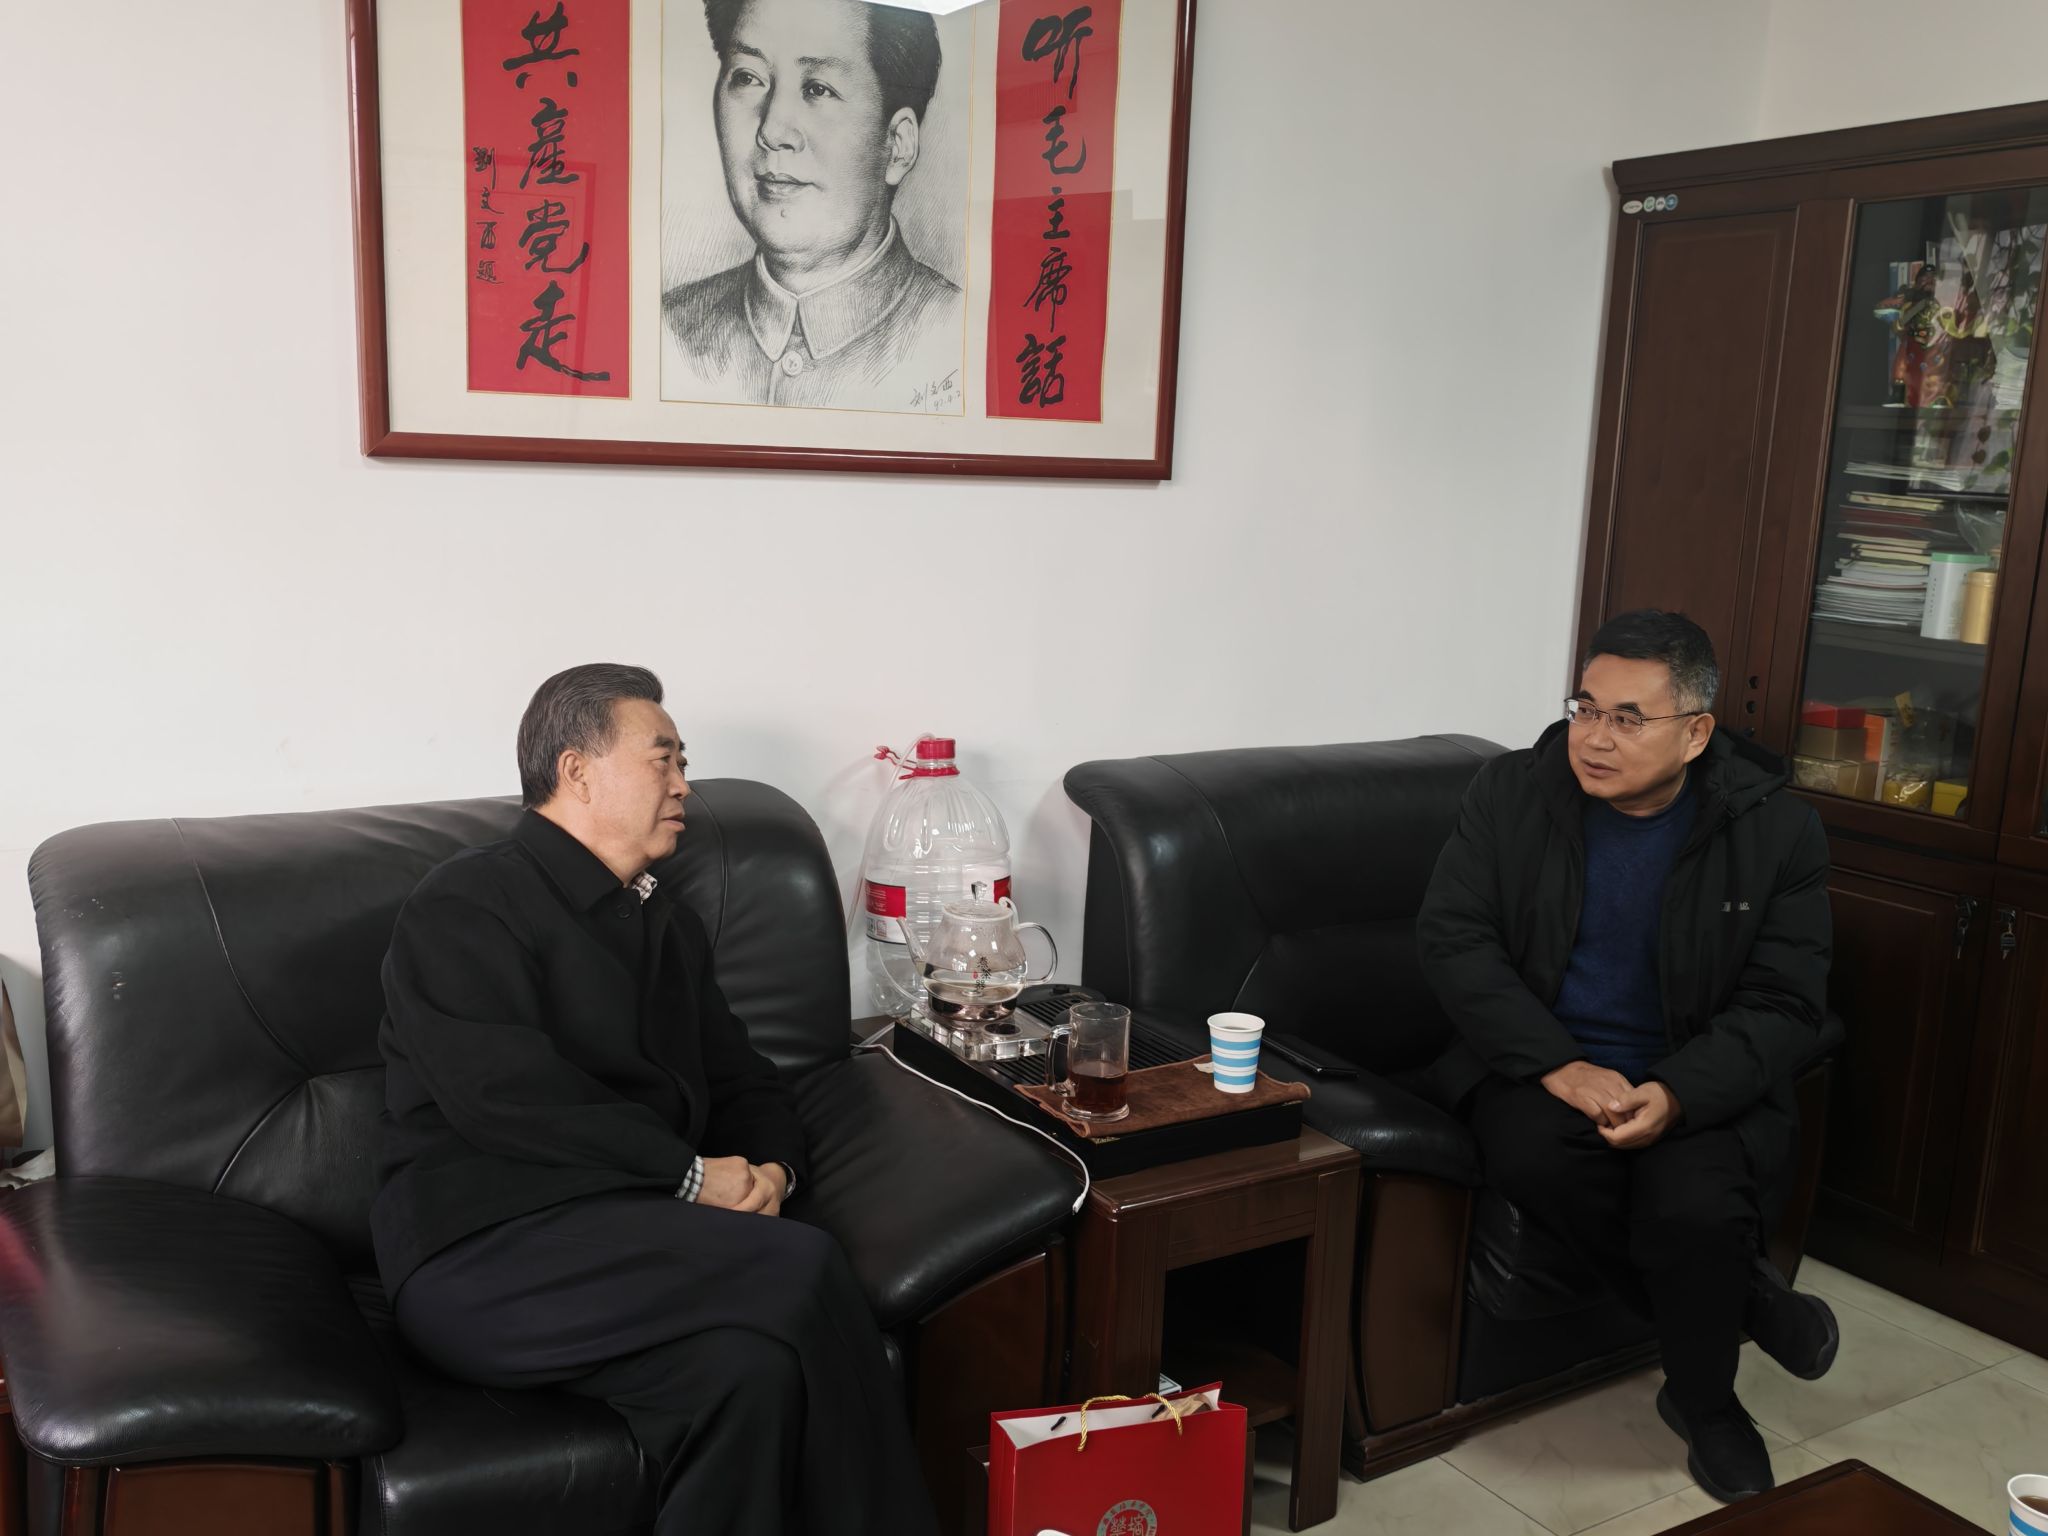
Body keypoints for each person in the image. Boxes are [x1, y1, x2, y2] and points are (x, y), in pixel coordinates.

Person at [371, 663, 939, 1536]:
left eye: (684, 763)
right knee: (802, 1265)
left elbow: (746, 1078)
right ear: (577, 771)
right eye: (663, 759)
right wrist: (690, 1177)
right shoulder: (468, 901)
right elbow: (503, 1096)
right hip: (483, 1257)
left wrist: (774, 1171)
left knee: (749, 1376)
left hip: (630, 1246)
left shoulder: (664, 925)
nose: (683, 786)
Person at [1416, 610, 1840, 1504]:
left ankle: (1704, 1406)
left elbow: (1786, 1003)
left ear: (1696, 734)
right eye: (1585, 708)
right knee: (1538, 1154)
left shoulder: (1777, 833)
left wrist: (1677, 1094)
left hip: (1691, 1069)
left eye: (1627, 719)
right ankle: (1748, 1306)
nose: (1594, 738)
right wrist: (1560, 1066)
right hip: (1538, 1064)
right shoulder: (1510, 793)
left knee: (1695, 1205)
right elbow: (1455, 942)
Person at [663, 0, 964, 411]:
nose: (772, 131)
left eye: (817, 89)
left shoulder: (959, 336)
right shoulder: (667, 329)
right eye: (749, 77)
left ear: (897, 146)